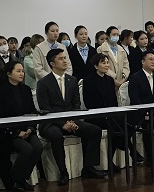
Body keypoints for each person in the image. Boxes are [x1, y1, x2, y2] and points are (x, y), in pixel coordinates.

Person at [36, 48, 106, 185]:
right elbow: (45, 109)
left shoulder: (72, 80)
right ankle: (63, 171)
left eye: (65, 58)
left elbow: (76, 104)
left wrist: (72, 121)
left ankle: (88, 167)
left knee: (94, 130)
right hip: (50, 122)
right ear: (52, 63)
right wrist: (63, 123)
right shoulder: (43, 83)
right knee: (56, 135)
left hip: (71, 119)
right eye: (60, 59)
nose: (64, 61)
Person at [82, 54, 143, 165]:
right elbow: (89, 103)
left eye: (107, 62)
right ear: (96, 66)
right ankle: (132, 152)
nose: (107, 65)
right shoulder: (88, 81)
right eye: (103, 63)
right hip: (96, 116)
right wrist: (105, 112)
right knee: (122, 126)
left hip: (110, 115)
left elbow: (114, 101)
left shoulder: (110, 80)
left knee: (124, 126)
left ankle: (111, 160)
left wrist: (111, 112)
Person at [0, 61, 43, 192]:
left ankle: (22, 178)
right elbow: (0, 117)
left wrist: (30, 128)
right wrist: (17, 132)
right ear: (9, 74)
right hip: (9, 132)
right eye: (18, 71)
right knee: (27, 149)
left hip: (27, 129)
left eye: (22, 71)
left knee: (38, 146)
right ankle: (13, 180)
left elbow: (32, 111)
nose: (22, 74)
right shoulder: (0, 92)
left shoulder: (26, 90)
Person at [97, 25, 131, 92]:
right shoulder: (101, 49)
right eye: (114, 34)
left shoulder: (122, 49)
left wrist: (123, 79)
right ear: (107, 36)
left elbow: (126, 66)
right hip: (107, 81)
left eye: (117, 35)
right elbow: (102, 66)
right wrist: (114, 79)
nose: (116, 36)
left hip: (122, 82)